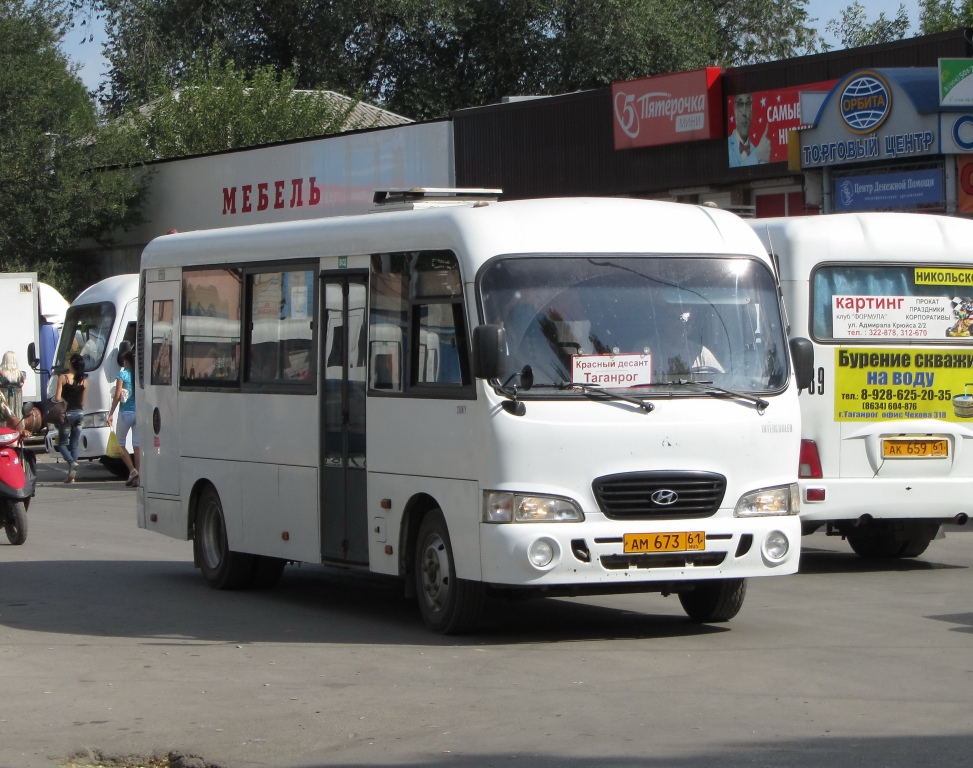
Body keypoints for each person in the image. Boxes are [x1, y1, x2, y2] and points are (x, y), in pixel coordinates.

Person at [107, 341, 139, 486]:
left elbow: (118, 395)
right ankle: (140, 473)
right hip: (138, 412)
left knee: (120, 443)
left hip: (125, 412)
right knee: (137, 445)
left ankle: (132, 470)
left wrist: (111, 413)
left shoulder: (123, 374)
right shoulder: (138, 375)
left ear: (125, 361)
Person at [54, 353, 87, 483]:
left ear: (71, 364)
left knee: (62, 444)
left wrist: (64, 400)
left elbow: (57, 398)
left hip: (67, 414)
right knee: (74, 444)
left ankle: (72, 463)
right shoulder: (84, 381)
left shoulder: (63, 378)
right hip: (79, 414)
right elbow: (82, 402)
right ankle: (72, 476)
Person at [728, 93, 770, 168]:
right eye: (740, 104)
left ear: (751, 111)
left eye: (748, 105)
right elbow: (732, 176)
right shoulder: (726, 146)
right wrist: (757, 155)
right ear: (735, 110)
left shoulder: (759, 153)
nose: (744, 113)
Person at [0, 351, 26, 423]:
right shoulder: (21, 374)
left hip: (4, 400)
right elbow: (21, 384)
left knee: (4, 415)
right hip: (16, 399)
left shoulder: (1, 374)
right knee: (17, 414)